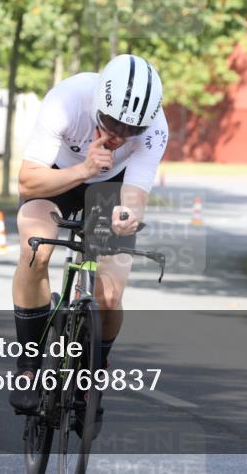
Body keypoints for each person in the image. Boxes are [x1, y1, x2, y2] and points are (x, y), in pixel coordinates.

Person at [9, 54, 168, 417]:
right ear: (98, 104)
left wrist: (127, 217)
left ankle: (94, 369)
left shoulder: (156, 128)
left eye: (131, 131)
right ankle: (29, 368)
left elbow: (135, 196)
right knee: (35, 250)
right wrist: (83, 168)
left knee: (110, 293)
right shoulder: (67, 102)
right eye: (112, 123)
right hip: (56, 176)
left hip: (111, 182)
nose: (119, 135)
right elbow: (27, 180)